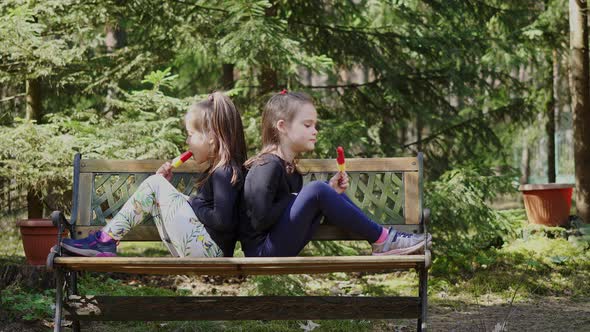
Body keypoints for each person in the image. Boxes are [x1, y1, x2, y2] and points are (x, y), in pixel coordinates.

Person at [239, 90, 431, 257]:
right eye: (307, 125)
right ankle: (384, 239)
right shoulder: (267, 165)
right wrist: (299, 197)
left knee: (320, 190)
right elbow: (258, 219)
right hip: (262, 250)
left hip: (280, 245)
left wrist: (326, 194)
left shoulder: (291, 169)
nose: (315, 131)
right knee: (316, 189)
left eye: (315, 125)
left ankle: (384, 238)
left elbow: (289, 214)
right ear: (282, 127)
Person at [62, 92, 247, 258]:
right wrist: (164, 194)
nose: (187, 141)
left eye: (190, 134)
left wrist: (190, 201)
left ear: (212, 137)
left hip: (210, 251)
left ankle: (105, 240)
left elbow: (223, 221)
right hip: (205, 247)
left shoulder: (225, 172)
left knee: (155, 184)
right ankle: (105, 239)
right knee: (156, 185)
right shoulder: (221, 169)